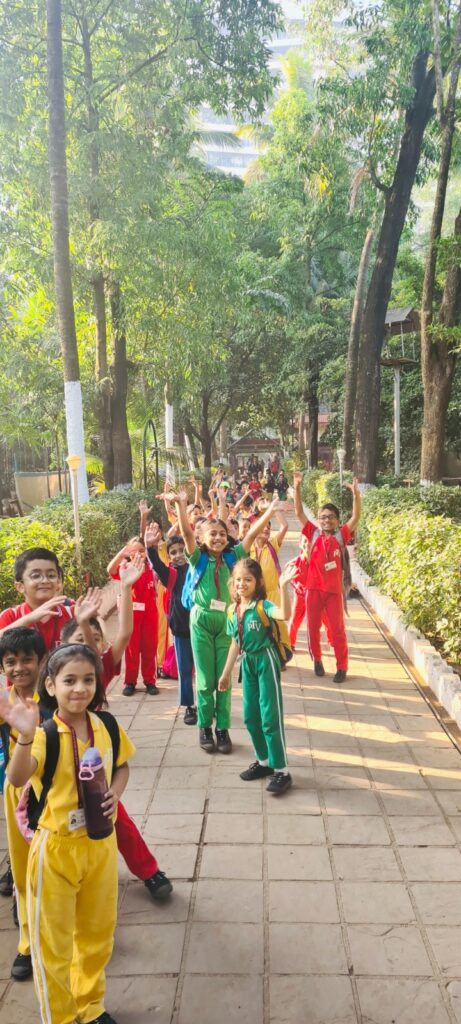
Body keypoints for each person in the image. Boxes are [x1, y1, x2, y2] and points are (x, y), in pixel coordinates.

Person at [2, 643, 135, 1024]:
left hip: (100, 845)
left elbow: (122, 766)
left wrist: (116, 793)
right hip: (56, 851)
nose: (80, 689)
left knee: (97, 934)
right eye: (70, 680)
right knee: (53, 943)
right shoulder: (45, 734)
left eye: (88, 680)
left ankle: (90, 1005)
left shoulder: (107, 726)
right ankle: (59, 1016)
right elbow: (16, 777)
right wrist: (24, 736)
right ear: (51, 685)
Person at [60, 606, 173, 903]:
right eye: (80, 638)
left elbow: (110, 643)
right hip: (59, 782)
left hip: (95, 775)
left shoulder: (96, 677)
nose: (79, 688)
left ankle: (149, 871)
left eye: (95, 639)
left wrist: (122, 590)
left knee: (118, 821)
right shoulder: (51, 690)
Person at [170, 492, 280, 753]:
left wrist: (270, 511)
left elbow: (252, 533)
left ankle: (222, 728)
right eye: (213, 534)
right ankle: (205, 726)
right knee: (205, 679)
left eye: (222, 534)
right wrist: (181, 505)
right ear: (202, 539)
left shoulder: (234, 556)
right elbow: (186, 533)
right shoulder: (197, 557)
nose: (218, 538)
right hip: (201, 621)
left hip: (228, 621)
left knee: (224, 677)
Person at [218, 558, 296, 795]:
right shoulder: (232, 610)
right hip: (248, 663)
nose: (242, 584)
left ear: (258, 582)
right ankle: (264, 762)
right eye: (238, 579)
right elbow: (235, 643)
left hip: (266, 660)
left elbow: (284, 614)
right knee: (251, 717)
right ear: (232, 582)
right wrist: (225, 674)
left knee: (270, 717)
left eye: (248, 580)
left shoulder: (263, 606)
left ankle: (281, 770)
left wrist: (283, 586)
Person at [0, 627, 48, 981]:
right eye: (10, 662)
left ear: (41, 661)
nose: (19, 668)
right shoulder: (3, 702)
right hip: (16, 790)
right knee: (21, 868)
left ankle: (65, 932)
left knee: (52, 863)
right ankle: (28, 943)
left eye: (27, 659)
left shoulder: (54, 695)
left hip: (52, 790)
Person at [292, 471, 361, 683]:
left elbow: (355, 518)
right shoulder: (312, 533)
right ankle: (317, 660)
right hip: (312, 590)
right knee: (313, 629)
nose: (326, 520)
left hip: (333, 592)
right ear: (318, 519)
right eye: (323, 517)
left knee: (338, 630)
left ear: (337, 520)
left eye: (330, 517)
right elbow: (298, 513)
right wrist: (297, 487)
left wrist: (356, 496)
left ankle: (342, 666)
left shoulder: (341, 535)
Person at [145, 524, 196, 726]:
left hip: (202, 628)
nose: (178, 555)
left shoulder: (198, 569)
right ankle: (189, 706)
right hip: (181, 629)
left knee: (205, 671)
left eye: (182, 550)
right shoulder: (171, 575)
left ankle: (208, 704)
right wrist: (150, 548)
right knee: (185, 670)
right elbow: (157, 565)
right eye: (173, 552)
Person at [107, 536, 158, 696]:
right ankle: (130, 682)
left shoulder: (151, 567)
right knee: (131, 649)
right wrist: (121, 554)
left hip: (150, 614)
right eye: (134, 551)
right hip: (132, 614)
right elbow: (110, 570)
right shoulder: (125, 568)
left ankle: (150, 681)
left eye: (141, 551)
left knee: (150, 648)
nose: (138, 554)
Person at [0, 547, 74, 648]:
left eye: (51, 575)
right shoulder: (11, 616)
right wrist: (29, 619)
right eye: (36, 576)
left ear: (58, 582)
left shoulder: (72, 613)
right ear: (20, 586)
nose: (45, 581)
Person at [250, 507, 288, 605]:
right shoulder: (248, 549)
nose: (266, 529)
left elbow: (284, 526)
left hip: (272, 598)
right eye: (263, 526)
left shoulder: (272, 545)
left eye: (268, 527)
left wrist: (274, 509)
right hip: (253, 597)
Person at [288, 536, 310, 648]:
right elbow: (286, 577)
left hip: (317, 595)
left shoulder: (319, 560)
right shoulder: (296, 562)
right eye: (305, 541)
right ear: (300, 543)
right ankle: (290, 643)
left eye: (311, 541)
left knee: (327, 619)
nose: (308, 544)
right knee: (295, 619)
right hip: (300, 595)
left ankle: (333, 641)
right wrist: (296, 586)